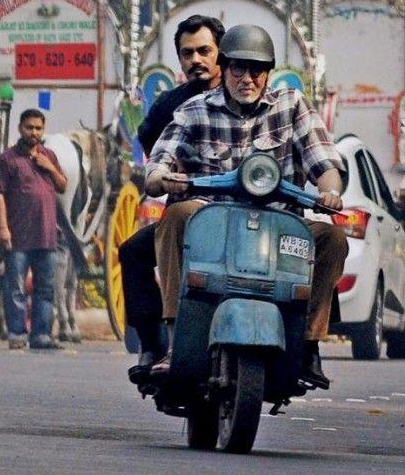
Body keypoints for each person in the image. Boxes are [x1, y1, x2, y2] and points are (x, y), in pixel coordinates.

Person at [145, 24, 348, 389]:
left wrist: (329, 191)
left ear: (268, 73)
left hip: (280, 225)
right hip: (213, 225)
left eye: (256, 70)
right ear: (224, 68)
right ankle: (175, 337)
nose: (247, 79)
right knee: (177, 215)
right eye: (238, 68)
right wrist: (160, 177)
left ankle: (309, 344)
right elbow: (160, 159)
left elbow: (325, 163)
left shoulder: (291, 106)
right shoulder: (194, 110)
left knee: (333, 238)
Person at [121, 15, 225, 385]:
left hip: (246, 216)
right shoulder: (172, 106)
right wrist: (167, 172)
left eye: (204, 51)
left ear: (221, 53)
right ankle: (153, 343)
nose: (196, 59)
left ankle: (306, 348)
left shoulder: (247, 94)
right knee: (132, 252)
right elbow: (151, 144)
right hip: (186, 217)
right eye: (187, 53)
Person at [0, 109, 68, 350]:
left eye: (38, 128)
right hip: (18, 235)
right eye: (29, 128)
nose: (34, 132)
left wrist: (49, 167)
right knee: (15, 287)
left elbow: (62, 186)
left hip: (46, 235)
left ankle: (41, 335)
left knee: (45, 288)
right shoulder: (8, 159)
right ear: (20, 129)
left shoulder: (49, 156)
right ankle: (17, 333)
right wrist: (3, 228)